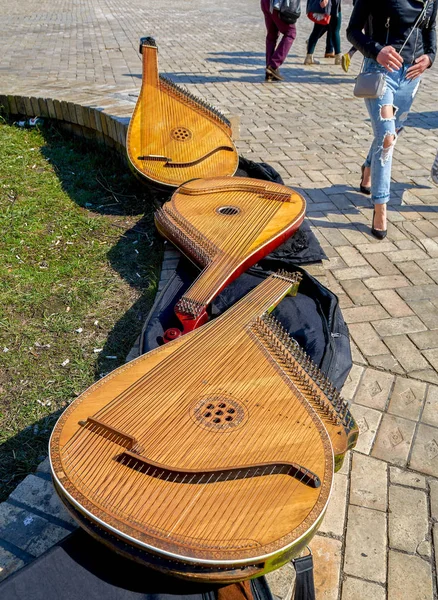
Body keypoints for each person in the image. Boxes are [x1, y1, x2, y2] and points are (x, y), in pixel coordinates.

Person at [347, 0, 437, 239]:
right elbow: (352, 30)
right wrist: (377, 51)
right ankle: (380, 209)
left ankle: (368, 168)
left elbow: (429, 29)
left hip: (411, 78)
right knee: (387, 137)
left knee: (391, 133)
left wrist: (430, 57)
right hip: (380, 74)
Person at [261, 0, 297, 81]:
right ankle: (273, 65)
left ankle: (269, 71)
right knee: (290, 32)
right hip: (277, 4)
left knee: (272, 35)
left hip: (266, 3)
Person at [304, 0, 343, 65]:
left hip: (326, 6)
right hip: (330, 5)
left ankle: (309, 57)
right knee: (335, 31)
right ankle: (338, 57)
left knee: (316, 31)